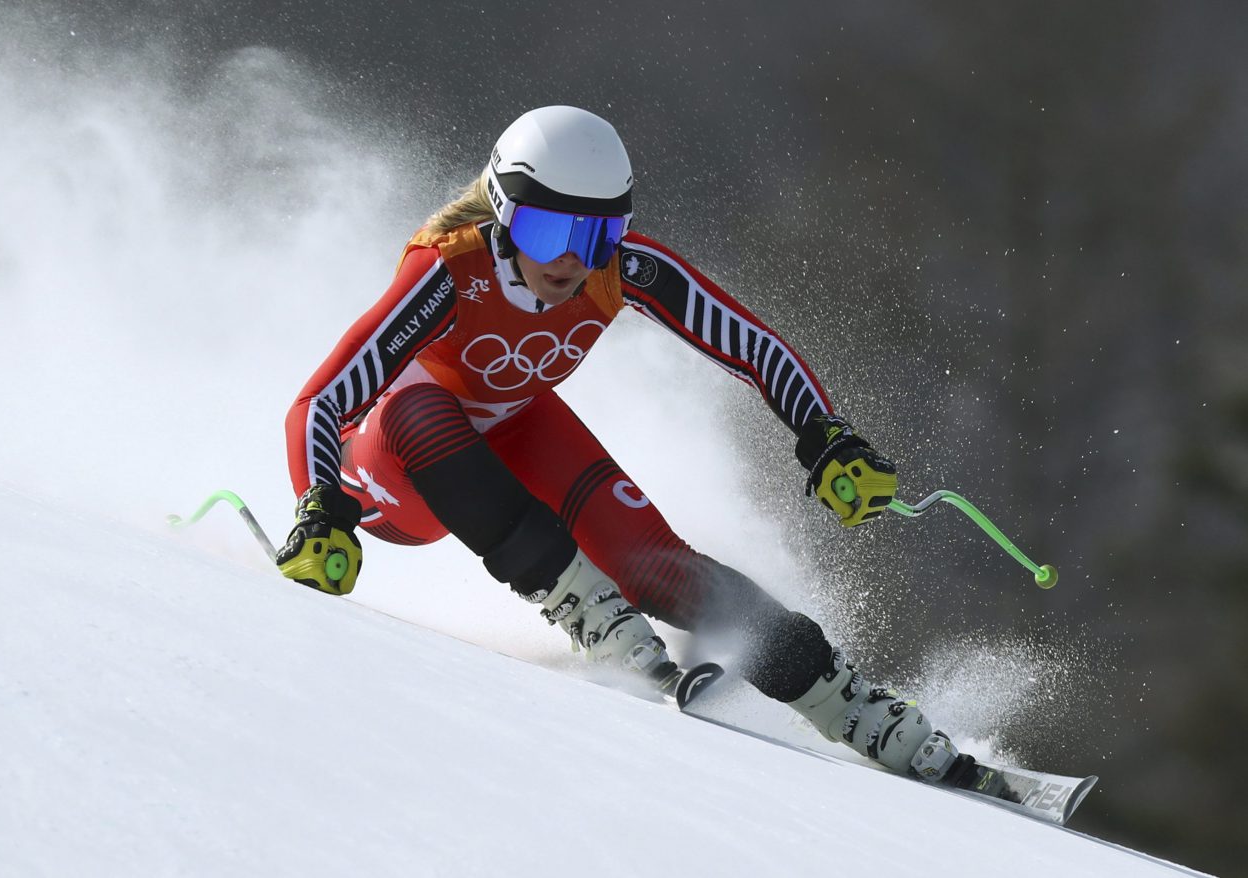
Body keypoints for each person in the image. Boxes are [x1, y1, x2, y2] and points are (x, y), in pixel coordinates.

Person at [278, 105, 965, 784]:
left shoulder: (621, 272)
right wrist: (318, 506)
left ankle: (842, 697)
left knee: (653, 562)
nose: (573, 259)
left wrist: (823, 435)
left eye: (599, 234)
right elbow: (323, 399)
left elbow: (749, 346)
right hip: (391, 476)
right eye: (547, 230)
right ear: (501, 211)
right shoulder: (449, 269)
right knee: (418, 404)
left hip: (512, 425)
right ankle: (585, 606)